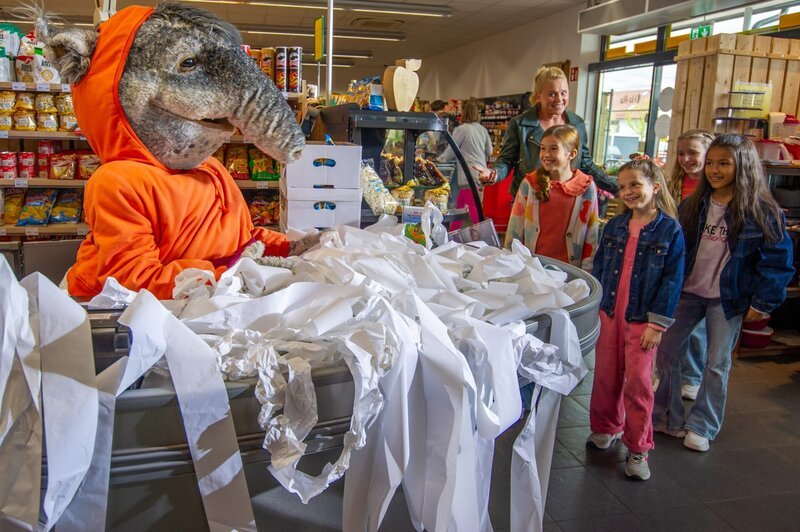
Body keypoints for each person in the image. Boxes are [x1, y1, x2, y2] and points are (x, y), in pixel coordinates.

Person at [653, 134, 795, 453]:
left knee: (716, 362)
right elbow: (676, 249)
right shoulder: (695, 205)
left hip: (727, 298)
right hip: (688, 292)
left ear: (742, 166)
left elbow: (778, 260)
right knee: (665, 349)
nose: (714, 170)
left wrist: (763, 302)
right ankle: (667, 416)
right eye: (712, 163)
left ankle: (703, 423)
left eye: (724, 163)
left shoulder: (763, 210)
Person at [588, 159, 685, 481]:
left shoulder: (669, 229)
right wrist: (597, 307)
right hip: (611, 312)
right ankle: (605, 426)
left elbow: (673, 279)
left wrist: (657, 325)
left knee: (639, 384)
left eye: (635, 185)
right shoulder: (615, 225)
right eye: (623, 186)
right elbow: (601, 267)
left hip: (644, 320)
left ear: (654, 187)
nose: (627, 191)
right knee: (605, 374)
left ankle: (639, 447)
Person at [473, 66, 618, 196]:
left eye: (563, 93)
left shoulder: (576, 123)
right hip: (529, 197)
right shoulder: (520, 124)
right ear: (538, 95)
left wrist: (617, 187)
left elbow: (586, 163)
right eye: (552, 94)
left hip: (568, 197)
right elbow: (506, 160)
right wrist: (493, 174)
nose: (559, 99)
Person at [504, 124, 600, 270]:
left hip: (569, 272)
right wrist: (510, 262)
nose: (546, 154)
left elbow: (591, 235)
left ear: (572, 154)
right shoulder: (530, 184)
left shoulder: (585, 186)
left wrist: (587, 273)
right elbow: (515, 229)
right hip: (531, 268)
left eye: (553, 148)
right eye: (542, 148)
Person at [667, 129, 716, 401]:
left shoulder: (713, 189)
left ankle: (692, 376)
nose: (686, 159)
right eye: (682, 153)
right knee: (672, 319)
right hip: (674, 258)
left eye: (693, 153)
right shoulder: (673, 183)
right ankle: (668, 371)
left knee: (696, 327)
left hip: (699, 263)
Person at [439, 99, 493, 228]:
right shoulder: (482, 129)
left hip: (468, 173)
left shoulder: (461, 129)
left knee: (474, 210)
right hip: (481, 172)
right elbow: (490, 150)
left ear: (464, 113)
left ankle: (484, 235)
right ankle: (452, 233)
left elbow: (452, 149)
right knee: (461, 205)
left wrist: (440, 160)